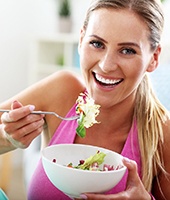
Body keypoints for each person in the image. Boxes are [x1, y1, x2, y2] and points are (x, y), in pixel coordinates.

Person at [0, 0, 170, 199]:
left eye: (127, 51)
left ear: (154, 58)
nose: (106, 66)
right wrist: (6, 137)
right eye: (97, 44)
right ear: (81, 40)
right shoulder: (61, 90)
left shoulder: (163, 133)